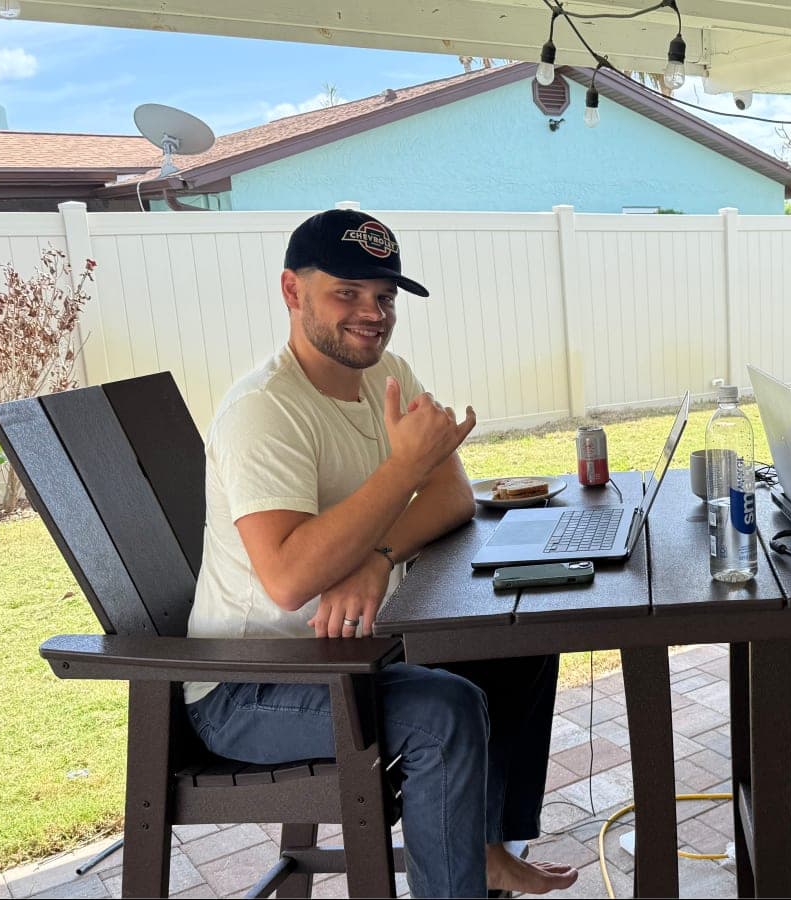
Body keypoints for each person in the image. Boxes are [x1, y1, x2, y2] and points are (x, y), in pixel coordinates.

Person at [181, 208, 576, 898]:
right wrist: (403, 470)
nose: (373, 313)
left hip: (355, 650)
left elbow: (452, 494)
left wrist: (379, 557)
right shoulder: (265, 410)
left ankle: (485, 849)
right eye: (348, 292)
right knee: (443, 712)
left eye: (385, 296)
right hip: (252, 683)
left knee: (518, 643)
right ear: (292, 290)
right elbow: (289, 579)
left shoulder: (387, 373)